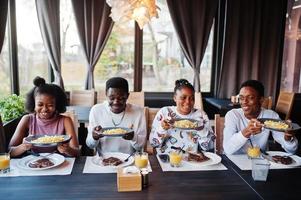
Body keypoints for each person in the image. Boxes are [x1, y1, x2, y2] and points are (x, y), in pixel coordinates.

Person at [9, 77, 79, 157]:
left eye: (50, 105)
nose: (45, 109)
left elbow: (76, 152)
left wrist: (67, 150)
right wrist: (23, 147)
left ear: (57, 105)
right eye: (40, 105)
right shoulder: (27, 120)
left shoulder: (65, 121)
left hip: (60, 163)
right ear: (33, 104)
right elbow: (9, 152)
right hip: (32, 163)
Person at [223, 80, 298, 155]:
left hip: (260, 161)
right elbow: (227, 150)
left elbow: (292, 151)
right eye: (241, 98)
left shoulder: (270, 116)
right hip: (236, 161)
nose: (244, 102)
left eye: (250, 97)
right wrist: (247, 131)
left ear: (261, 100)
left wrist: (288, 139)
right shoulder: (233, 115)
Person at [149, 79, 215, 153]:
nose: (188, 102)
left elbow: (210, 147)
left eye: (192, 98)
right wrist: (162, 129)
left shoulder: (201, 115)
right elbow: (153, 144)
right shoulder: (164, 112)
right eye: (183, 97)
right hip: (167, 159)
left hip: (192, 160)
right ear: (175, 98)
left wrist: (202, 130)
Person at [86, 77, 147, 155]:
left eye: (121, 98)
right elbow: (90, 145)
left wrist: (133, 137)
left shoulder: (138, 112)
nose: (116, 102)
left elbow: (140, 146)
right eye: (111, 98)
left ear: (127, 96)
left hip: (129, 160)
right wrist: (94, 137)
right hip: (103, 160)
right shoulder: (96, 111)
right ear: (106, 94)